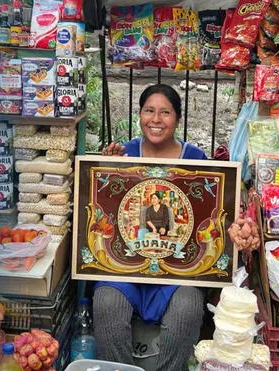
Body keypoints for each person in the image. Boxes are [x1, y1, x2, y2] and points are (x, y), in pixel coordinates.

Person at [94, 84, 207, 371]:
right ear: (140, 115)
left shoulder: (196, 161)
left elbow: (206, 216)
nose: (156, 120)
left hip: (177, 271)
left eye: (165, 112)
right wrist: (105, 170)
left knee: (188, 307)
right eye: (149, 111)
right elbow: (103, 214)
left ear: (178, 118)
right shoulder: (125, 156)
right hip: (125, 266)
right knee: (106, 302)